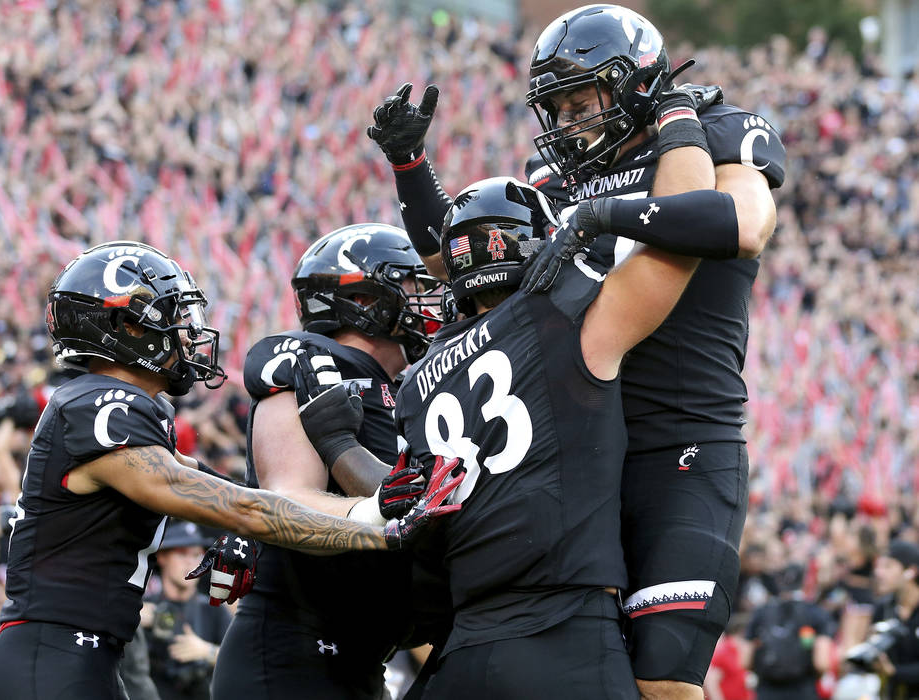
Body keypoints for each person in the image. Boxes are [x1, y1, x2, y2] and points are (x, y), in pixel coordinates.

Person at [367, 5, 785, 698]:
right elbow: (472, 265)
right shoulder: (551, 178)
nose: (565, 124)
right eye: (553, 108)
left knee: (661, 679)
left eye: (580, 99)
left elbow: (742, 224)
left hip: (680, 442)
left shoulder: (719, 129)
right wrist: (413, 172)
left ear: (636, 85)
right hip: (582, 452)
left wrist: (601, 214)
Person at [296, 167, 748, 697]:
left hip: (463, 646)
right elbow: (695, 231)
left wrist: (338, 445)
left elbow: (402, 506)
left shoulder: (416, 383)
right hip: (564, 633)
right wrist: (653, 152)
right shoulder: (563, 320)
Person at [0, 241, 463, 700]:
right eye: (174, 317)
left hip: (78, 651)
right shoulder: (101, 405)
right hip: (54, 653)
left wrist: (252, 531)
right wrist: (380, 527)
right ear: (128, 327)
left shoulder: (115, 409)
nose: (189, 333)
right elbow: (242, 507)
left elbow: (213, 487)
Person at [212, 224, 445, 700]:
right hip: (292, 652)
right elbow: (287, 500)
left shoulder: (406, 386)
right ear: (363, 300)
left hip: (361, 657)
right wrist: (379, 511)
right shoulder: (311, 362)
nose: (423, 302)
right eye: (410, 287)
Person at [141, 521, 230, 700]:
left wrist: (207, 652)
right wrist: (133, 621)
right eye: (182, 554)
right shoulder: (144, 609)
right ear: (162, 557)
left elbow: (244, 660)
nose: (192, 562)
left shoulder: (213, 610)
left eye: (197, 555)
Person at [839, 540, 919, 699]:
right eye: (879, 566)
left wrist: (894, 672)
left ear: (910, 571)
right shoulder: (884, 609)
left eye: (888, 566)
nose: (879, 573)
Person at [744, 564, 835, 700]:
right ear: (806, 581)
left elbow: (744, 660)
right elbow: (821, 663)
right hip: (803, 690)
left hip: (767, 690)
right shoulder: (816, 613)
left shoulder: (761, 612)